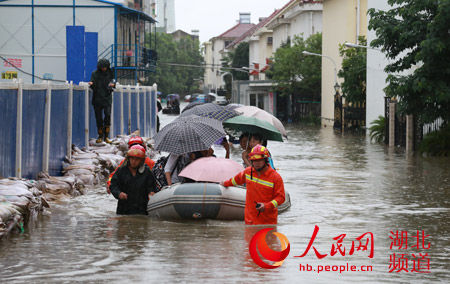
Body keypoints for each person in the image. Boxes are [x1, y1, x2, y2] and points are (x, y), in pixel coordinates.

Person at [221, 145, 285, 225]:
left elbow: (281, 198)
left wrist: (267, 206)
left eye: (259, 160)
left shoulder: (275, 177)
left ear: (265, 160)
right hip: (250, 220)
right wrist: (224, 183)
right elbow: (235, 180)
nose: (256, 163)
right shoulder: (248, 172)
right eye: (254, 161)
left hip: (268, 222)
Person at [110, 145, 158, 215]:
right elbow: (113, 185)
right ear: (128, 158)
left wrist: (151, 192)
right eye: (132, 158)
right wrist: (119, 193)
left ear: (141, 160)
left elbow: (151, 186)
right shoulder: (121, 170)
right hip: (124, 209)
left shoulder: (147, 172)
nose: (134, 161)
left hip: (142, 209)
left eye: (137, 159)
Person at [89, 58, 115, 143]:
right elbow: (92, 83)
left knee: (107, 116)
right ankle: (100, 136)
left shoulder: (110, 73)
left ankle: (106, 136)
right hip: (97, 99)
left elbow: (114, 82)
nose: (104, 69)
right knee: (98, 118)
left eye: (105, 67)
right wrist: (91, 84)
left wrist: (113, 84)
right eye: (102, 67)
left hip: (107, 99)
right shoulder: (95, 74)